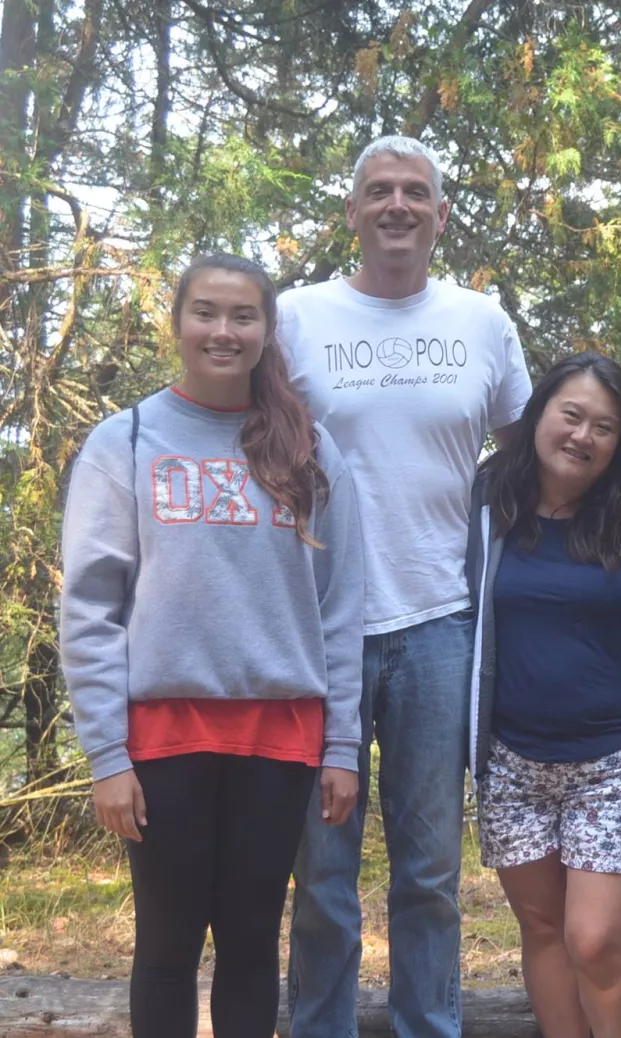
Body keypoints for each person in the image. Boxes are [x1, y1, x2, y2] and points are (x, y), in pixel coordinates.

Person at [278, 135, 621, 1038]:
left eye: (416, 191)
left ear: (442, 214)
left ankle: (429, 1027)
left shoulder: (481, 321)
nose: (397, 206)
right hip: (321, 627)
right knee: (324, 873)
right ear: (353, 211)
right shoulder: (299, 316)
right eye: (379, 191)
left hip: (445, 626)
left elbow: (551, 434)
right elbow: (249, 431)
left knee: (428, 873)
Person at [59, 254, 363, 1038]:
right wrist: (107, 757)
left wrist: (342, 745)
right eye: (206, 312)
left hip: (280, 738)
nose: (222, 331)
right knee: (166, 946)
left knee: (252, 944)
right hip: (162, 739)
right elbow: (91, 611)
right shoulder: (123, 442)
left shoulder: (311, 450)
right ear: (179, 322)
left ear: (267, 331)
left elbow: (339, 608)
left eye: (242, 316)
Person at [465, 353, 621, 1038]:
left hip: (611, 763)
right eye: (570, 415)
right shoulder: (487, 504)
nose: (583, 436)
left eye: (605, 428)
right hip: (512, 764)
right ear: (538, 416)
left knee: (596, 939)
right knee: (544, 930)